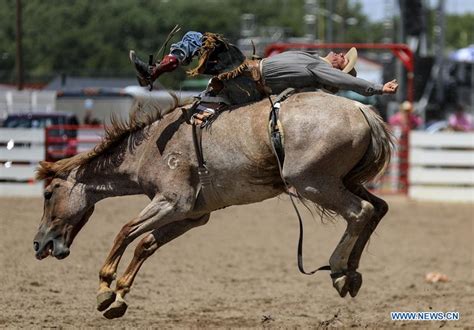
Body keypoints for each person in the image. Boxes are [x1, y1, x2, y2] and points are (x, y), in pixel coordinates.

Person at [130, 31, 398, 122]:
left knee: (199, 39)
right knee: (197, 46)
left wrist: (377, 88)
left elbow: (347, 81)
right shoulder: (314, 61)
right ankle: (155, 74)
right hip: (248, 76)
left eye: (344, 58)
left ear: (338, 67)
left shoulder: (321, 69)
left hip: (248, 79)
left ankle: (153, 73)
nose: (341, 53)